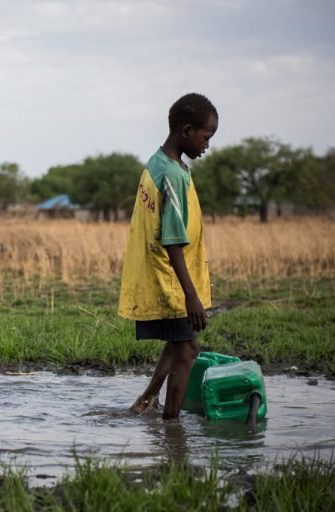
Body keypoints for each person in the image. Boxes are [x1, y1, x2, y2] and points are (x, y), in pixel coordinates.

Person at [118, 93, 218, 420]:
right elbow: (173, 240)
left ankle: (145, 400)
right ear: (186, 130)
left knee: (178, 343)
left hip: (166, 275)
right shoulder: (172, 175)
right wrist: (191, 296)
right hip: (171, 280)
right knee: (188, 350)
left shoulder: (159, 162)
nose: (207, 144)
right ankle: (172, 429)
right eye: (206, 136)